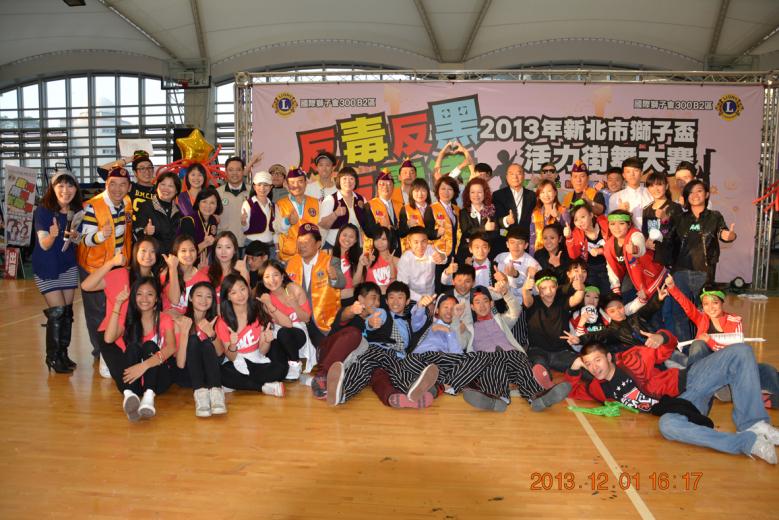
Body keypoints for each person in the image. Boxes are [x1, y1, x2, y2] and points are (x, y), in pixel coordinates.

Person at [566, 339, 779, 464]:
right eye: (588, 364)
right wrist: (574, 368)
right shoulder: (599, 388)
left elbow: (665, 346)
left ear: (609, 357)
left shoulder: (631, 359)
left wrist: (661, 336)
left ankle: (754, 424)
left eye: (597, 360)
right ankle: (747, 443)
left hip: (691, 379)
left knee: (741, 351)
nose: (594, 367)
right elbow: (573, 390)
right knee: (667, 425)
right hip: (684, 403)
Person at [664, 276, 779, 406]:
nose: (711, 308)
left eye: (715, 303)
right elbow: (687, 305)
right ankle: (695, 387)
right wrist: (672, 287)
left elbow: (736, 355)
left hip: (728, 368)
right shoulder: (701, 318)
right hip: (705, 369)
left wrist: (710, 341)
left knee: (768, 370)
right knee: (698, 344)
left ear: (722, 302)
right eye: (706, 304)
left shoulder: (735, 321)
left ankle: (727, 389)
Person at [460, 284, 573, 412]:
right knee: (493, 368)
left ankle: (536, 397)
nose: (482, 305)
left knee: (522, 364)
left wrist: (505, 293)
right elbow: (460, 343)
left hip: (511, 354)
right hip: (487, 358)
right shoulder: (468, 328)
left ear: (491, 304)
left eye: (485, 301)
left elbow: (516, 310)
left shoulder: (501, 320)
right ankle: (497, 398)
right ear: (472, 307)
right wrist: (456, 322)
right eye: (477, 302)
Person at [656, 179, 736, 342]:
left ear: (706, 194)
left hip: (704, 272)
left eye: (699, 191)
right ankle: (685, 346)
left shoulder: (714, 216)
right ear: (686, 197)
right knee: (680, 312)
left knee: (705, 312)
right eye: (690, 192)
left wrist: (729, 236)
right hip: (680, 272)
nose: (695, 195)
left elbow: (723, 232)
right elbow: (667, 237)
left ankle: (703, 345)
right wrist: (663, 223)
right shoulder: (679, 217)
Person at [81, 236, 160, 377]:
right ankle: (106, 356)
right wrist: (111, 263)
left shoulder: (156, 279)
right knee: (124, 376)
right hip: (114, 332)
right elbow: (86, 286)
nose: (148, 255)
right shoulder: (122, 274)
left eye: (152, 251)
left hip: (138, 333)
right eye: (143, 251)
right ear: (135, 253)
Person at [77, 165, 133, 361]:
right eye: (113, 184)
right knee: (96, 311)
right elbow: (84, 240)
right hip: (94, 266)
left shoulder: (127, 203)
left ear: (129, 187)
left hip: (118, 265)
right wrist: (101, 236)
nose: (117, 189)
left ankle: (113, 347)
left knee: (115, 307)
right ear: (106, 184)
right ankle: (99, 352)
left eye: (122, 184)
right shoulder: (93, 206)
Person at [103, 276, 178, 421]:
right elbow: (108, 339)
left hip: (158, 381)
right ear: (134, 297)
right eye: (139, 294)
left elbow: (171, 347)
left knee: (150, 345)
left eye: (149, 294)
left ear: (156, 298)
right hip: (133, 380)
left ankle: (149, 398)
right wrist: (118, 304)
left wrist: (143, 366)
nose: (144, 298)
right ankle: (130, 396)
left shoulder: (164, 318)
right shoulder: (130, 319)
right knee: (132, 348)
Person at [33, 169, 84, 373]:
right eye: (60, 185)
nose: (65, 190)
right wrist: (53, 235)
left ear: (76, 189)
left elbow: (79, 241)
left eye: (70, 185)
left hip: (67, 265)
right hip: (47, 266)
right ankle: (52, 357)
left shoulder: (77, 211)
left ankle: (63, 354)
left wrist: (75, 237)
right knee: (58, 311)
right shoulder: (43, 211)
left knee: (67, 312)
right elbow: (44, 244)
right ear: (52, 189)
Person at [213, 274, 292, 396]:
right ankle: (262, 387)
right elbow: (232, 358)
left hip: (257, 359)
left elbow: (262, 351)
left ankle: (243, 383)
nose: (240, 295)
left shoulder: (257, 312)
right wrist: (233, 344)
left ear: (248, 289)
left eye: (242, 289)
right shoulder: (222, 322)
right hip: (237, 361)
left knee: (281, 368)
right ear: (227, 296)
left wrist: (267, 340)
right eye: (233, 292)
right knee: (222, 373)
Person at [285, 223, 346, 345]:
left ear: (318, 244)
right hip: (298, 319)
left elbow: (341, 283)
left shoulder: (330, 261)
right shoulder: (291, 262)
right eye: (299, 242)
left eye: (306, 242)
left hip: (324, 321)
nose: (302, 246)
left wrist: (334, 276)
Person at [522, 268, 584, 380]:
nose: (549, 292)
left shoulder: (562, 301)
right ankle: (548, 384)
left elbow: (577, 299)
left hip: (561, 352)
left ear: (557, 287)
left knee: (582, 365)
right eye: (544, 288)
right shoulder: (534, 302)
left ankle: (570, 379)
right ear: (537, 289)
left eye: (552, 287)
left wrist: (580, 288)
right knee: (539, 370)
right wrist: (525, 289)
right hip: (537, 351)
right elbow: (527, 301)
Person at [561, 291, 667, 354]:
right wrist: (579, 339)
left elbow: (649, 308)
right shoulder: (611, 331)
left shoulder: (637, 317)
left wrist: (658, 298)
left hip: (659, 348)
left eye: (620, 308)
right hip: (641, 358)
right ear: (607, 314)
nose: (618, 312)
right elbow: (596, 336)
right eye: (612, 311)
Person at [256, 259, 312, 376]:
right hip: (277, 335)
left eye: (275, 275)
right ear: (262, 280)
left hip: (298, 332)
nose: (272, 280)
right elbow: (286, 323)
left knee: (284, 332)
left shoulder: (294, 289)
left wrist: (295, 305)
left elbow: (306, 319)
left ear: (282, 276)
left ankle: (295, 362)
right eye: (267, 277)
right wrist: (269, 305)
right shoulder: (265, 298)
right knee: (276, 358)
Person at [178, 282, 226, 417]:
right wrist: (184, 333)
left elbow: (220, 353)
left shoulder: (216, 320)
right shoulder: (182, 321)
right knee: (193, 340)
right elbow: (180, 364)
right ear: (190, 298)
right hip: (189, 374)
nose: (204, 300)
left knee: (206, 344)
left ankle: (217, 394)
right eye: (199, 295)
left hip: (211, 372)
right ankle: (200, 395)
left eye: (208, 296)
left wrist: (211, 333)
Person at [604, 209, 667, 309]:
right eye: (612, 224)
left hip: (651, 276)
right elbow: (611, 267)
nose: (616, 228)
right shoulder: (609, 245)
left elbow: (640, 246)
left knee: (655, 309)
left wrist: (635, 249)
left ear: (629, 224)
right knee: (626, 300)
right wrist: (615, 288)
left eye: (621, 223)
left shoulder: (635, 234)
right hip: (632, 277)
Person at [273, 167, 320, 262]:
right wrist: (287, 221)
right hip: (289, 256)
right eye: (292, 182)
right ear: (286, 184)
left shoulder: (316, 203)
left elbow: (321, 229)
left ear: (306, 183)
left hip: (311, 256)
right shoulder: (280, 204)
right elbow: (276, 230)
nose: (296, 185)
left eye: (300, 181)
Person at [564, 200, 610, 295]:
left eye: (583, 217)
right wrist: (569, 238)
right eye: (576, 220)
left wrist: (601, 250)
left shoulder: (604, 223)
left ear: (591, 215)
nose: (580, 222)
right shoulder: (576, 233)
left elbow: (616, 245)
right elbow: (574, 256)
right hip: (589, 270)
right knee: (592, 294)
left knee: (608, 294)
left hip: (609, 266)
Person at [424, 176, 460, 293]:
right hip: (439, 257)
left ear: (454, 192)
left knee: (454, 288)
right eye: (443, 189)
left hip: (455, 256)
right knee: (440, 289)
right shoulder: (431, 209)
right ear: (437, 191)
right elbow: (426, 233)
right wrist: (436, 233)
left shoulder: (457, 210)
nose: (446, 192)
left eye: (450, 189)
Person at [133, 171, 182, 255]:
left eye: (170, 186)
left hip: (172, 257)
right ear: (157, 186)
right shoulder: (145, 206)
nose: (166, 189)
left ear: (176, 190)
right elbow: (136, 231)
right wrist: (145, 231)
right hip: (152, 257)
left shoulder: (178, 211)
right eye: (163, 184)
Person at [492, 163, 537, 255]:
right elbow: (495, 219)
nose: (515, 177)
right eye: (511, 174)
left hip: (525, 244)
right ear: (507, 177)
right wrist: (506, 220)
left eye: (518, 173)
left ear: (524, 176)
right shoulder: (498, 195)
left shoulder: (532, 195)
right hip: (505, 243)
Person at [319, 167, 367, 249]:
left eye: (351, 178)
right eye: (344, 178)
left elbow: (366, 223)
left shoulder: (362, 199)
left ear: (355, 181)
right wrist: (335, 214)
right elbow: (322, 225)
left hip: (355, 247)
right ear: (339, 181)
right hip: (333, 246)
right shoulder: (330, 199)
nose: (348, 181)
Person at [98, 150, 155, 219]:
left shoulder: (160, 189)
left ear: (153, 170)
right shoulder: (129, 187)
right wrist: (129, 160)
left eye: (149, 167)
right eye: (142, 168)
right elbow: (102, 170)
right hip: (130, 225)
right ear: (135, 172)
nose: (147, 171)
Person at [396, 226, 447, 302]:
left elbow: (444, 258)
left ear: (427, 241)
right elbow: (402, 286)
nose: (420, 246)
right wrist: (421, 299)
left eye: (423, 241)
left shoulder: (430, 249)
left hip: (432, 296)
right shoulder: (405, 259)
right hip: (413, 299)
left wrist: (441, 257)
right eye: (416, 242)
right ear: (409, 242)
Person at [161, 234, 210, 314]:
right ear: (176, 253)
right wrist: (173, 269)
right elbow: (174, 300)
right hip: (169, 319)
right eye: (183, 251)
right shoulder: (166, 274)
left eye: (192, 250)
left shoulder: (203, 279)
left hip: (190, 319)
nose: (188, 254)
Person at [178, 186, 221, 266]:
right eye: (204, 201)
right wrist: (205, 244)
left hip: (204, 264)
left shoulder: (213, 220)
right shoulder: (189, 221)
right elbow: (185, 253)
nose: (208, 206)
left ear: (217, 205)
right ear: (198, 203)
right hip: (186, 265)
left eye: (212, 203)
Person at [457, 177, 497, 262]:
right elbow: (466, 231)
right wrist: (484, 228)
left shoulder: (491, 210)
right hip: (467, 254)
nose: (476, 195)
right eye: (472, 192)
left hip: (488, 253)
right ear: (468, 194)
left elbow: (495, 233)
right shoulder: (463, 212)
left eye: (479, 192)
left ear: (485, 193)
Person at [607, 157, 653, 230]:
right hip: (627, 235)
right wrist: (620, 212)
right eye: (628, 172)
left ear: (641, 173)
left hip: (650, 234)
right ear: (624, 175)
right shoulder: (615, 197)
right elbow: (612, 223)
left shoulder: (651, 193)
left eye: (636, 171)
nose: (632, 174)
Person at [216, 156, 250, 252]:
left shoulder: (252, 191)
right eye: (231, 170)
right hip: (224, 246)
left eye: (238, 170)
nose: (234, 173)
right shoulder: (217, 193)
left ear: (243, 171)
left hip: (247, 244)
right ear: (226, 172)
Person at [364, 170, 402, 255]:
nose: (385, 187)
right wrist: (380, 226)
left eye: (389, 184)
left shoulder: (400, 206)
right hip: (378, 252)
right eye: (382, 184)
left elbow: (402, 230)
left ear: (393, 187)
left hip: (399, 251)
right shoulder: (368, 206)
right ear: (377, 187)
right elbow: (368, 231)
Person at [529, 179, 570, 254]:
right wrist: (532, 256)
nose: (546, 195)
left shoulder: (563, 210)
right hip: (539, 253)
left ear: (555, 193)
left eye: (549, 191)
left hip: (557, 253)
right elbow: (532, 237)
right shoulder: (535, 213)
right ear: (539, 196)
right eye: (542, 192)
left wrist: (558, 217)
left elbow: (567, 231)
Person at [207, 231, 250, 299]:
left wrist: (244, 273)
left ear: (235, 250)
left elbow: (247, 298)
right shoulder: (207, 272)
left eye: (228, 247)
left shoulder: (241, 272)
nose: (223, 252)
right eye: (219, 247)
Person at [241, 170, 275, 253]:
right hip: (252, 245)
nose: (262, 188)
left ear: (271, 187)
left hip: (270, 245)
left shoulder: (273, 205)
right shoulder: (248, 204)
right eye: (259, 185)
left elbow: (275, 228)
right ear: (254, 186)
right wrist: (243, 222)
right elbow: (245, 229)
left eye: (266, 185)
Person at [331, 224, 365, 304]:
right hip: (331, 301)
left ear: (355, 240)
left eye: (351, 237)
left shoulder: (358, 257)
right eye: (344, 235)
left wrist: (360, 264)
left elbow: (355, 283)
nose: (347, 239)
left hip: (350, 300)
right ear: (339, 235)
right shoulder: (328, 253)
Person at [398, 178, 431, 252]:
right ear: (411, 192)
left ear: (427, 192)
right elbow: (400, 233)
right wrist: (408, 226)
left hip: (431, 250)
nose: (420, 194)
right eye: (416, 191)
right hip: (412, 251)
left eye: (423, 190)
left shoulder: (434, 208)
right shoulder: (405, 209)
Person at [364, 226, 398, 293]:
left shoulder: (396, 260)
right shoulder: (369, 259)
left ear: (389, 240)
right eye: (377, 239)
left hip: (389, 296)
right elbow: (365, 281)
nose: (379, 242)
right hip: (371, 296)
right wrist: (368, 264)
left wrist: (391, 264)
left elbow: (396, 283)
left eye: (383, 239)